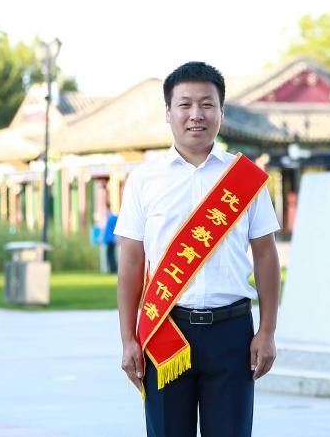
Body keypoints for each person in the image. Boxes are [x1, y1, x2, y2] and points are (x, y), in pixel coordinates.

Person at [115, 61, 281, 437]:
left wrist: (267, 331)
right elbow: (131, 263)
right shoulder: (143, 180)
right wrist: (127, 339)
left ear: (221, 112)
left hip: (232, 332)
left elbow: (266, 256)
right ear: (168, 112)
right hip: (165, 329)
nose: (196, 115)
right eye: (185, 104)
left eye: (207, 104)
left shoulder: (245, 179)